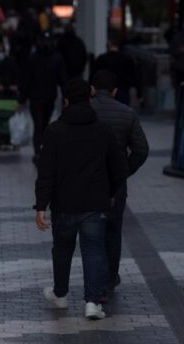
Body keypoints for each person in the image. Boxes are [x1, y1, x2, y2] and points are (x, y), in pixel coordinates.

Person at [34, 80, 126, 320]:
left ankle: (60, 294)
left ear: (65, 100)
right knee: (94, 250)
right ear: (89, 99)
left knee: (62, 250)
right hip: (95, 204)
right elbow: (118, 167)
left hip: (64, 204)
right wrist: (111, 193)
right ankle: (93, 302)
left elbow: (46, 172)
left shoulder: (54, 131)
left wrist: (41, 206)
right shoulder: (103, 130)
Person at [89, 70, 149, 293]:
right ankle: (110, 277)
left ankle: (94, 278)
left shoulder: (83, 112)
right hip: (116, 183)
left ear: (92, 89)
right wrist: (123, 171)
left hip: (88, 182)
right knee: (113, 230)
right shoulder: (127, 113)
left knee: (91, 230)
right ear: (115, 91)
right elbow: (141, 150)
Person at [20, 34, 67, 163]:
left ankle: (39, 151)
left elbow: (26, 80)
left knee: (39, 125)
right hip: (48, 96)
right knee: (43, 124)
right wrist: (65, 97)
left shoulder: (33, 57)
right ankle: (42, 150)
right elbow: (62, 80)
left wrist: (22, 99)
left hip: (37, 97)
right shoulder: (56, 58)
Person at [90, 39, 141, 106]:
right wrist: (140, 94)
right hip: (123, 90)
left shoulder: (101, 59)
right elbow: (134, 77)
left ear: (108, 46)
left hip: (104, 91)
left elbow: (93, 76)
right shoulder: (127, 59)